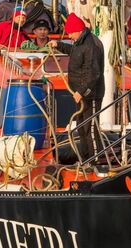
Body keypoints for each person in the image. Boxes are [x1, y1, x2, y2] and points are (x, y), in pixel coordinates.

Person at [48, 13, 104, 161]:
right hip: (80, 93)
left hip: (90, 94)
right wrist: (58, 45)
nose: (69, 36)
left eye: (70, 33)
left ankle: (96, 161)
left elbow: (94, 73)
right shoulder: (81, 42)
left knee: (90, 128)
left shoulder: (91, 45)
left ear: (78, 30)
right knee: (81, 126)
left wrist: (82, 92)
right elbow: (75, 52)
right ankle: (85, 160)